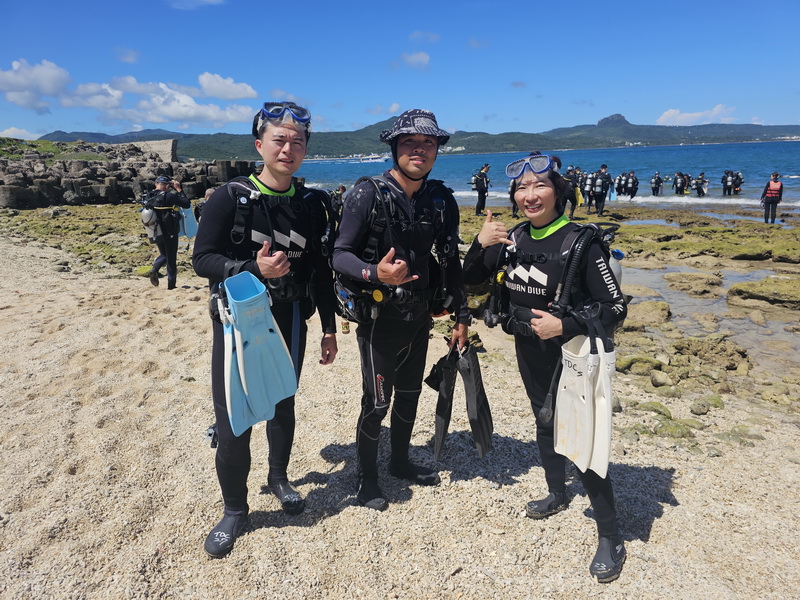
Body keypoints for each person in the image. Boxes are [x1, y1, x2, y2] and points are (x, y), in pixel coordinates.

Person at [462, 151, 628, 583]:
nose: (529, 194)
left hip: (573, 352)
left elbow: (614, 308)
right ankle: (557, 491)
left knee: (584, 436)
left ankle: (610, 535)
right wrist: (481, 244)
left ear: (558, 190)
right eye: (521, 187)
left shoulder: (580, 242)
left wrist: (565, 322)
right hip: (528, 348)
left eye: (540, 185)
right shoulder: (513, 237)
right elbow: (469, 281)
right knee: (543, 418)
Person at [192, 101, 338, 558]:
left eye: (297, 141)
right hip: (239, 323)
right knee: (235, 417)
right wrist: (249, 268)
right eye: (279, 139)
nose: (288, 148)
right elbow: (201, 260)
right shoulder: (229, 197)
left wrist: (330, 327)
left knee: (281, 403)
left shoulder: (312, 205)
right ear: (260, 145)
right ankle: (235, 510)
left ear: (305, 149)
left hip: (292, 318)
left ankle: (278, 477)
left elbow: (319, 269)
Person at [331, 109, 470, 511]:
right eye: (409, 142)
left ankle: (400, 461)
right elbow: (339, 255)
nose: (419, 150)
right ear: (394, 147)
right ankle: (367, 478)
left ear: (437, 150)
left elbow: (450, 260)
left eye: (427, 143)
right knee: (376, 402)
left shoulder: (441, 200)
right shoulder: (366, 193)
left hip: (420, 317)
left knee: (410, 395)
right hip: (379, 319)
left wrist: (461, 314)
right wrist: (375, 273)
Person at [144, 175, 191, 289]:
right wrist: (179, 189)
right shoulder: (168, 196)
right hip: (169, 230)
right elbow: (186, 203)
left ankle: (155, 269)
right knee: (170, 257)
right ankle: (171, 285)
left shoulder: (148, 196)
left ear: (156, 184)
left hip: (155, 230)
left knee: (164, 254)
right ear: (167, 186)